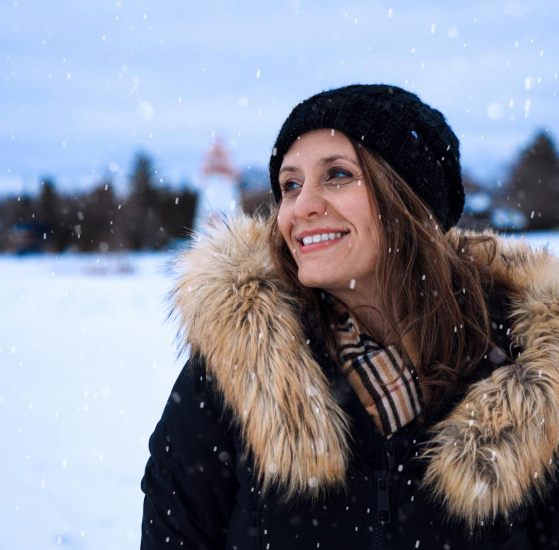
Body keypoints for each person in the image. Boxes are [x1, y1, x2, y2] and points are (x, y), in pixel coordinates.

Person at [140, 84, 559, 549]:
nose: (302, 207)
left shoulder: (533, 373)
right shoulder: (237, 368)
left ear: (410, 197)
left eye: (337, 175)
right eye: (290, 185)